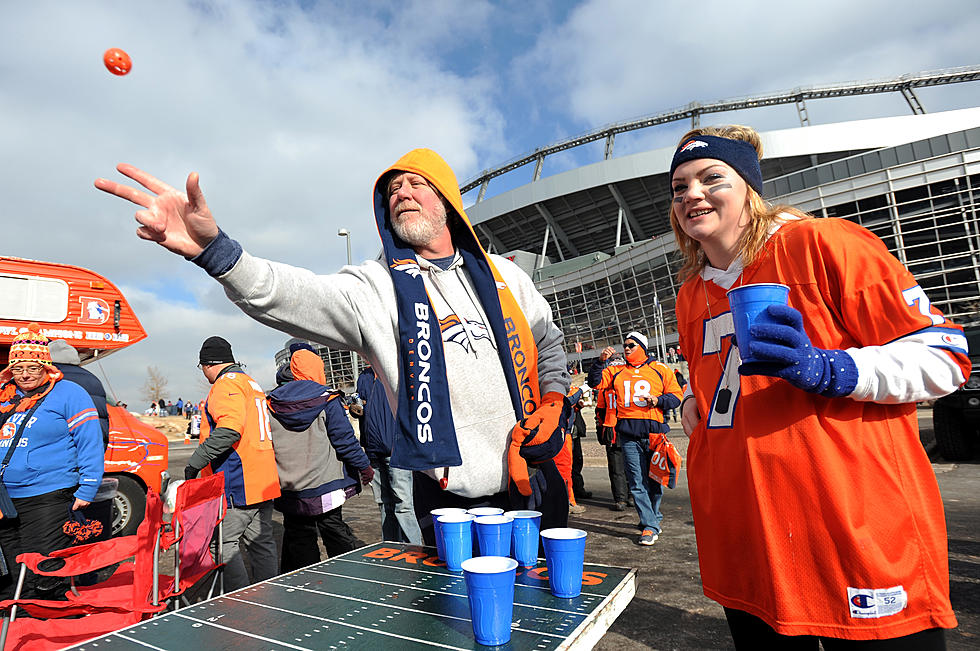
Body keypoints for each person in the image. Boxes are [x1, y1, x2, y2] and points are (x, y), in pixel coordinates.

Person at [96, 149, 572, 543]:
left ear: (446, 198)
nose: (401, 193)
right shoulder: (378, 288)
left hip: (531, 479)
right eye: (392, 191)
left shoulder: (506, 276)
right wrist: (213, 250)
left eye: (415, 183)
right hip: (449, 503)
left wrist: (553, 400)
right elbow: (288, 293)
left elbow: (548, 339)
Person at [670, 125, 970, 648]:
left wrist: (833, 369)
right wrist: (697, 399)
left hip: (850, 528)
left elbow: (946, 355)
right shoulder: (691, 294)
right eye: (678, 188)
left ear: (749, 187)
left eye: (710, 177)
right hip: (750, 544)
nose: (691, 194)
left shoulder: (823, 243)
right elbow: (722, 380)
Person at [0, 324, 103, 599]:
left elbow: (90, 441)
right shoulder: (5, 394)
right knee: (11, 569)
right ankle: (18, 625)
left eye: (32, 368)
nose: (24, 375)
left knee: (45, 569)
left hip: (48, 494)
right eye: (18, 368)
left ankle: (51, 628)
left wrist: (88, 486)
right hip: (5, 498)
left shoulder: (69, 392)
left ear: (45, 366)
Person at [184, 336, 280, 590]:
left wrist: (195, 462)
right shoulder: (251, 382)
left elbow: (229, 430)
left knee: (222, 543)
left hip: (239, 480)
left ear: (207, 364)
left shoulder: (226, 385)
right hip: (263, 478)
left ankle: (241, 599)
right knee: (262, 542)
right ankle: (269, 593)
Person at [268, 348, 373, 570]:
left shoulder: (270, 403)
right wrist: (364, 467)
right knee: (334, 532)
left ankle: (304, 587)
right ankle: (348, 578)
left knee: (299, 539)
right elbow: (344, 441)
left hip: (289, 486)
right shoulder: (327, 399)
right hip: (326, 483)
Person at [592, 332, 682, 545]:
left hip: (655, 433)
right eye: (624, 345)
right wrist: (599, 362)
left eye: (631, 345)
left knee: (656, 481)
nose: (627, 349)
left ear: (642, 346)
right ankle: (650, 525)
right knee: (636, 481)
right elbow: (595, 382)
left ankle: (652, 517)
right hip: (628, 436)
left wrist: (658, 400)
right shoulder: (616, 370)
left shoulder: (660, 369)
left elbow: (676, 396)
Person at [356, 364, 423, 544]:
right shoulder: (365, 376)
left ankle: (415, 550)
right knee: (384, 504)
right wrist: (355, 408)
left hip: (397, 450)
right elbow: (360, 406)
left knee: (403, 505)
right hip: (373, 451)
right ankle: (392, 547)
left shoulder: (397, 371)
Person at [48, 339, 110, 449]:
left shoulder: (51, 377)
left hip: (59, 449)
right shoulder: (93, 379)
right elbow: (101, 417)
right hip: (91, 445)